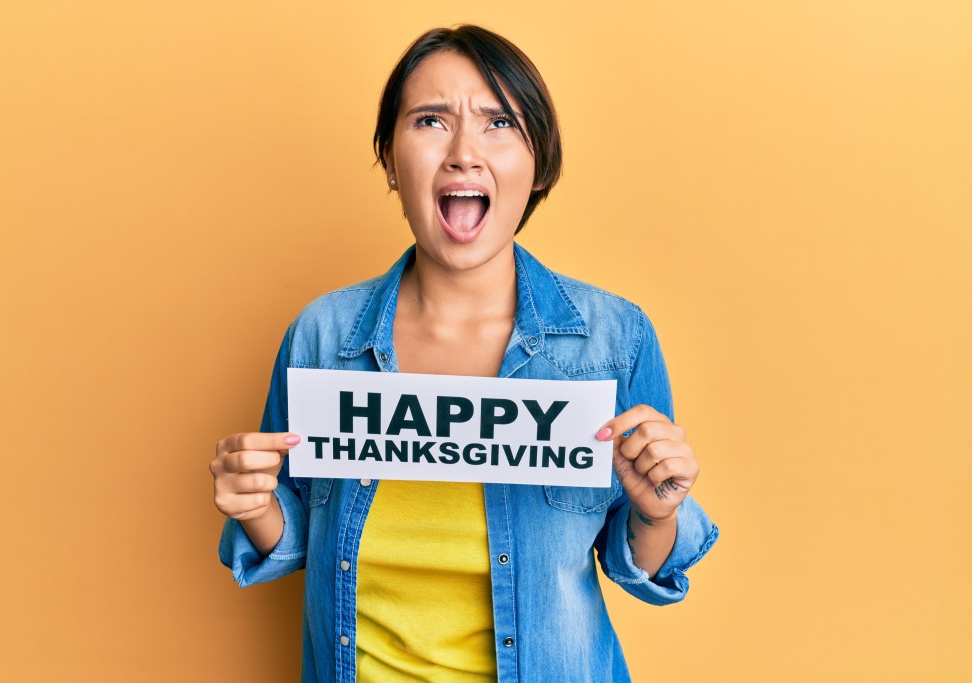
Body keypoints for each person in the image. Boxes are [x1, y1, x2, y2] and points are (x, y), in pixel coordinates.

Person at [211, 25, 719, 683]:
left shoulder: (612, 340)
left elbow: (641, 566)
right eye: (430, 120)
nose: (463, 154)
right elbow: (298, 536)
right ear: (391, 161)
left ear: (538, 163)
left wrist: (658, 510)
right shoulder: (321, 336)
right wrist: (255, 505)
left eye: (498, 122)